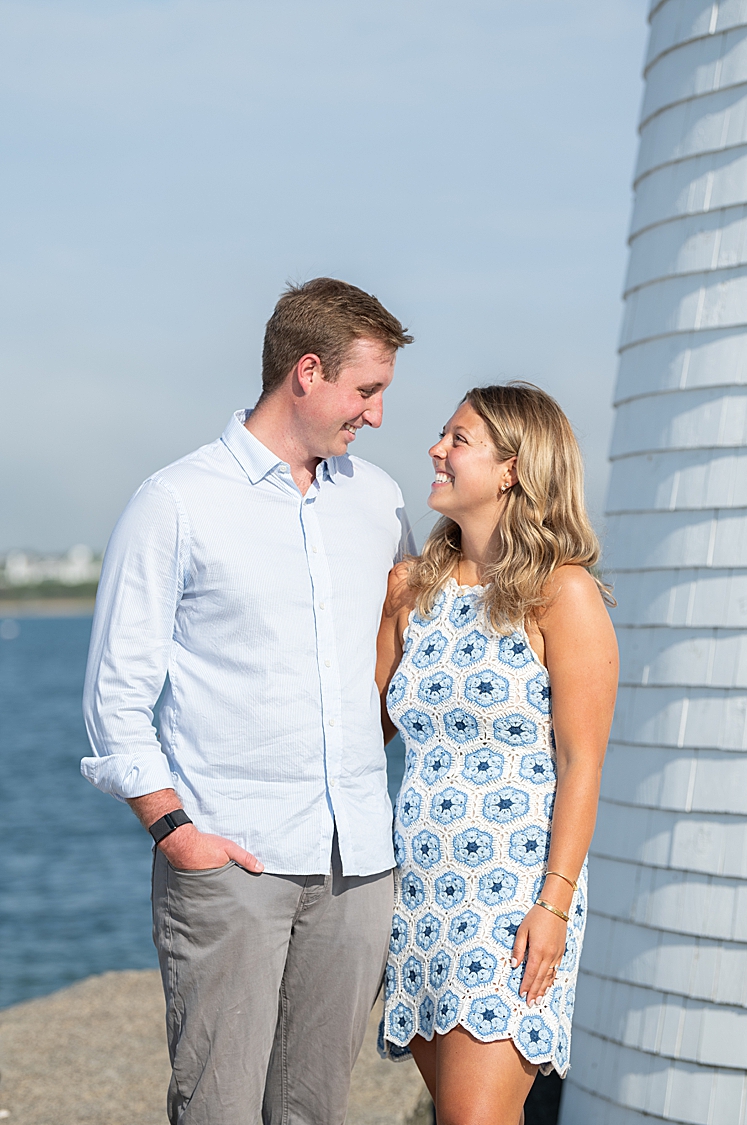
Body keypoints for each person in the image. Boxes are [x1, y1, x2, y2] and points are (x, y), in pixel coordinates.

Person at [81, 278, 415, 1122]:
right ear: (307, 372)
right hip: (231, 862)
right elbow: (116, 694)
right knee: (217, 1108)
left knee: (317, 1110)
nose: (375, 416)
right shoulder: (175, 503)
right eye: (366, 390)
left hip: (358, 864)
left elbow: (406, 650)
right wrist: (174, 831)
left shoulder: (377, 500)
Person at [375, 383, 617, 1122]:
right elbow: (361, 732)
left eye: (457, 438)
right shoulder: (412, 590)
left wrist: (553, 901)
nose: (435, 450)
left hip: (510, 897)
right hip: (413, 893)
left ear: (512, 468)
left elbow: (582, 762)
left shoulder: (563, 594)